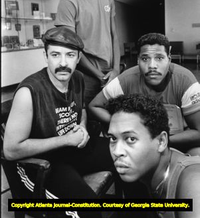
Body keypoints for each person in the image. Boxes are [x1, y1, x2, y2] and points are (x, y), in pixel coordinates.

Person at [3, 26, 114, 218]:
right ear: (45, 56)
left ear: (78, 58)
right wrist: (66, 140)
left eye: (70, 55)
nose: (63, 63)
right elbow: (11, 150)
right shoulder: (29, 92)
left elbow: (83, 109)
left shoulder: (77, 77)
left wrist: (83, 126)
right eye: (55, 55)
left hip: (73, 150)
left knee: (128, 154)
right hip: (43, 164)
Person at [89, 33, 200, 155]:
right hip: (138, 141)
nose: (152, 66)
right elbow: (94, 106)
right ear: (138, 60)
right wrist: (124, 124)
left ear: (169, 59)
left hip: (177, 139)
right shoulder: (126, 79)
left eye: (159, 58)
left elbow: (198, 131)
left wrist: (158, 141)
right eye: (145, 59)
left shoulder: (185, 80)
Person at [107, 94, 200, 218]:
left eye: (131, 139)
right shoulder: (149, 173)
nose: (117, 152)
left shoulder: (193, 183)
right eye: (113, 138)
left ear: (161, 141)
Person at [54, 0, 120, 106]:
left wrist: (116, 70)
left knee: (113, 122)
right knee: (88, 125)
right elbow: (70, 48)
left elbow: (114, 36)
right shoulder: (69, 1)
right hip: (86, 77)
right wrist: (100, 76)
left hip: (111, 74)